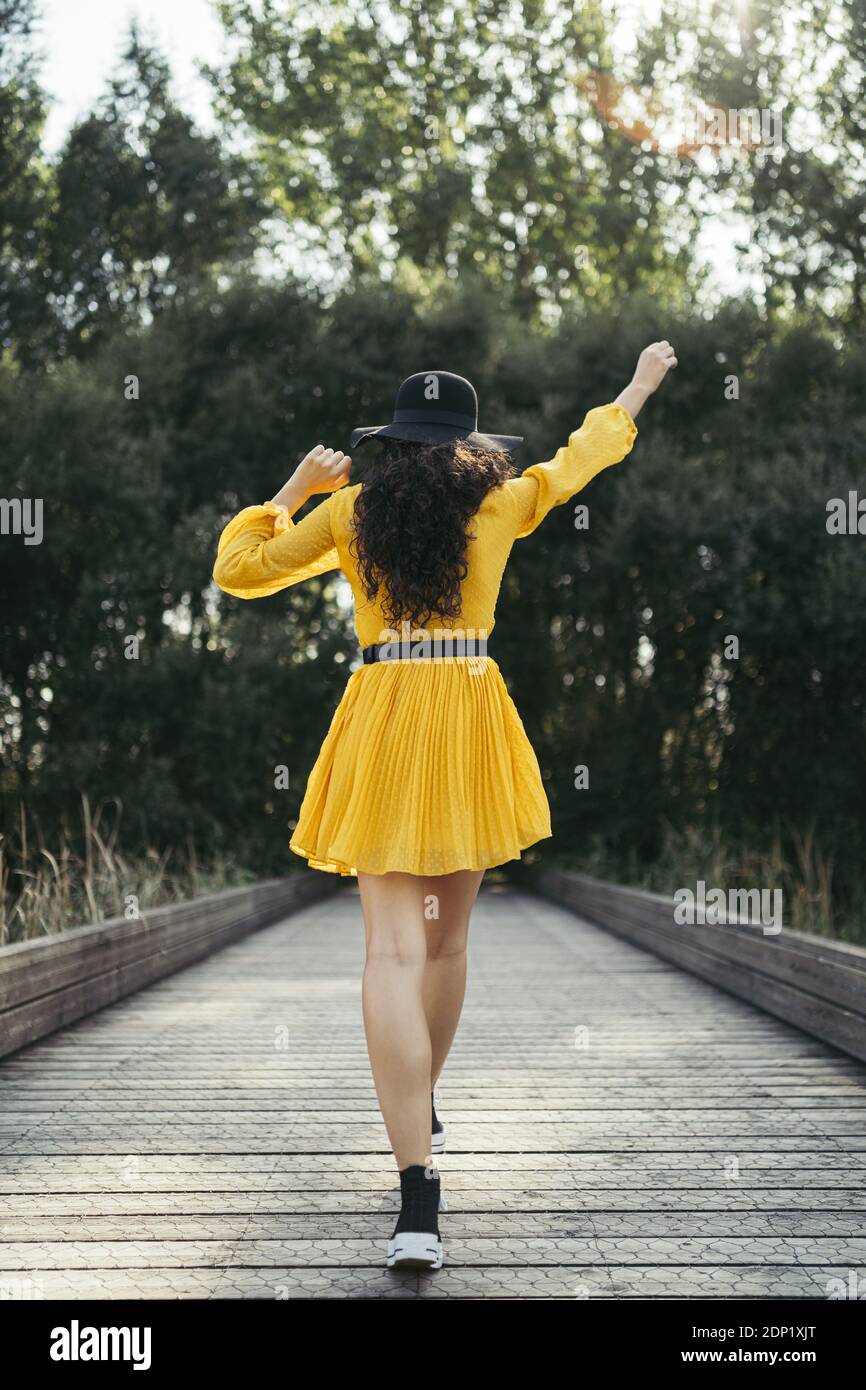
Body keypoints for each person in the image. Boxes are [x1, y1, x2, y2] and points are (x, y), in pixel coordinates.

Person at [213, 341, 677, 1271]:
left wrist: (294, 487)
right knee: (448, 942)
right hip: (467, 709)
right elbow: (579, 458)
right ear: (469, 446)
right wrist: (635, 386)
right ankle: (417, 1102)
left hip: (385, 712)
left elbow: (241, 569)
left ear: (393, 445)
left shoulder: (351, 510)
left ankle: (416, 1191)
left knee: (390, 948)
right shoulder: (501, 502)